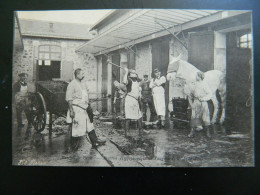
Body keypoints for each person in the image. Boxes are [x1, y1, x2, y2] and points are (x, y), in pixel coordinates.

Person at [66, 68, 106, 149]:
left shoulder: (83, 84)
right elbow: (69, 99)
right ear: (77, 75)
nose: (83, 75)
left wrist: (89, 106)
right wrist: (71, 111)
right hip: (77, 109)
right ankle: (73, 146)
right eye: (82, 74)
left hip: (84, 109)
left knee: (90, 125)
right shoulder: (72, 84)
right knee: (77, 128)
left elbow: (86, 96)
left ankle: (95, 142)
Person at [184, 71, 212, 138]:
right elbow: (190, 95)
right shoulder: (194, 84)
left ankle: (207, 133)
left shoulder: (204, 84)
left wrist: (204, 99)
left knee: (205, 117)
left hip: (203, 102)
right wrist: (191, 104)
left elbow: (210, 94)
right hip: (196, 102)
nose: (196, 77)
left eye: (197, 76)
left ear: (200, 77)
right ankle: (192, 132)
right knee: (194, 117)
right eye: (196, 76)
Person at [123, 68, 149, 136]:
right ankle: (127, 132)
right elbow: (124, 81)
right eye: (133, 73)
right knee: (128, 116)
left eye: (135, 73)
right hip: (130, 100)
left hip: (136, 101)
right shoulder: (129, 80)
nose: (135, 73)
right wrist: (126, 72)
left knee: (139, 116)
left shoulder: (137, 81)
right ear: (130, 75)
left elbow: (140, 79)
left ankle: (141, 130)